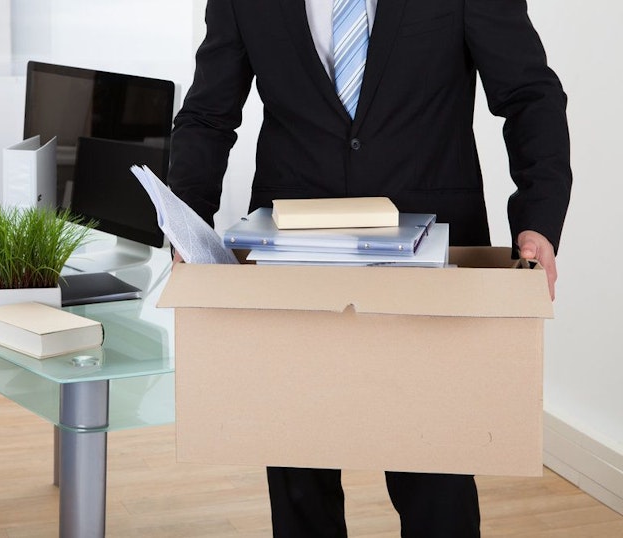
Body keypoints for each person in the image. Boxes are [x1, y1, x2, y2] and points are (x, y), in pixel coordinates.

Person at [166, 1, 572, 536]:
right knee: (299, 475)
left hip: (431, 265)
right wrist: (183, 223)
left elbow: (528, 95)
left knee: (434, 477)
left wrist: (538, 220)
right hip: (292, 259)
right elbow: (208, 113)